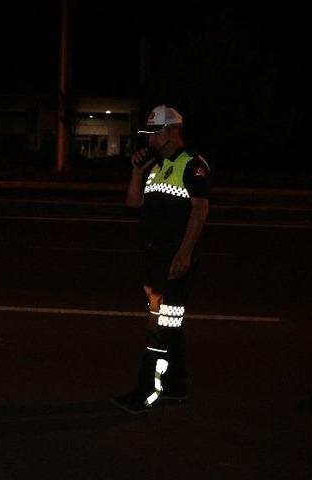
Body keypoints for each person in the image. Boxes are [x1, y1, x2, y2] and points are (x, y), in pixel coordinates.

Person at [113, 105, 211, 414]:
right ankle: (175, 387)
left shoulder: (192, 165)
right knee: (170, 326)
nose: (149, 139)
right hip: (154, 258)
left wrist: (184, 252)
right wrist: (137, 171)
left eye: (154, 133)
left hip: (173, 259)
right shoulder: (156, 166)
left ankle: (146, 392)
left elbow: (200, 209)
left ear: (170, 132)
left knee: (159, 328)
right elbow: (131, 204)